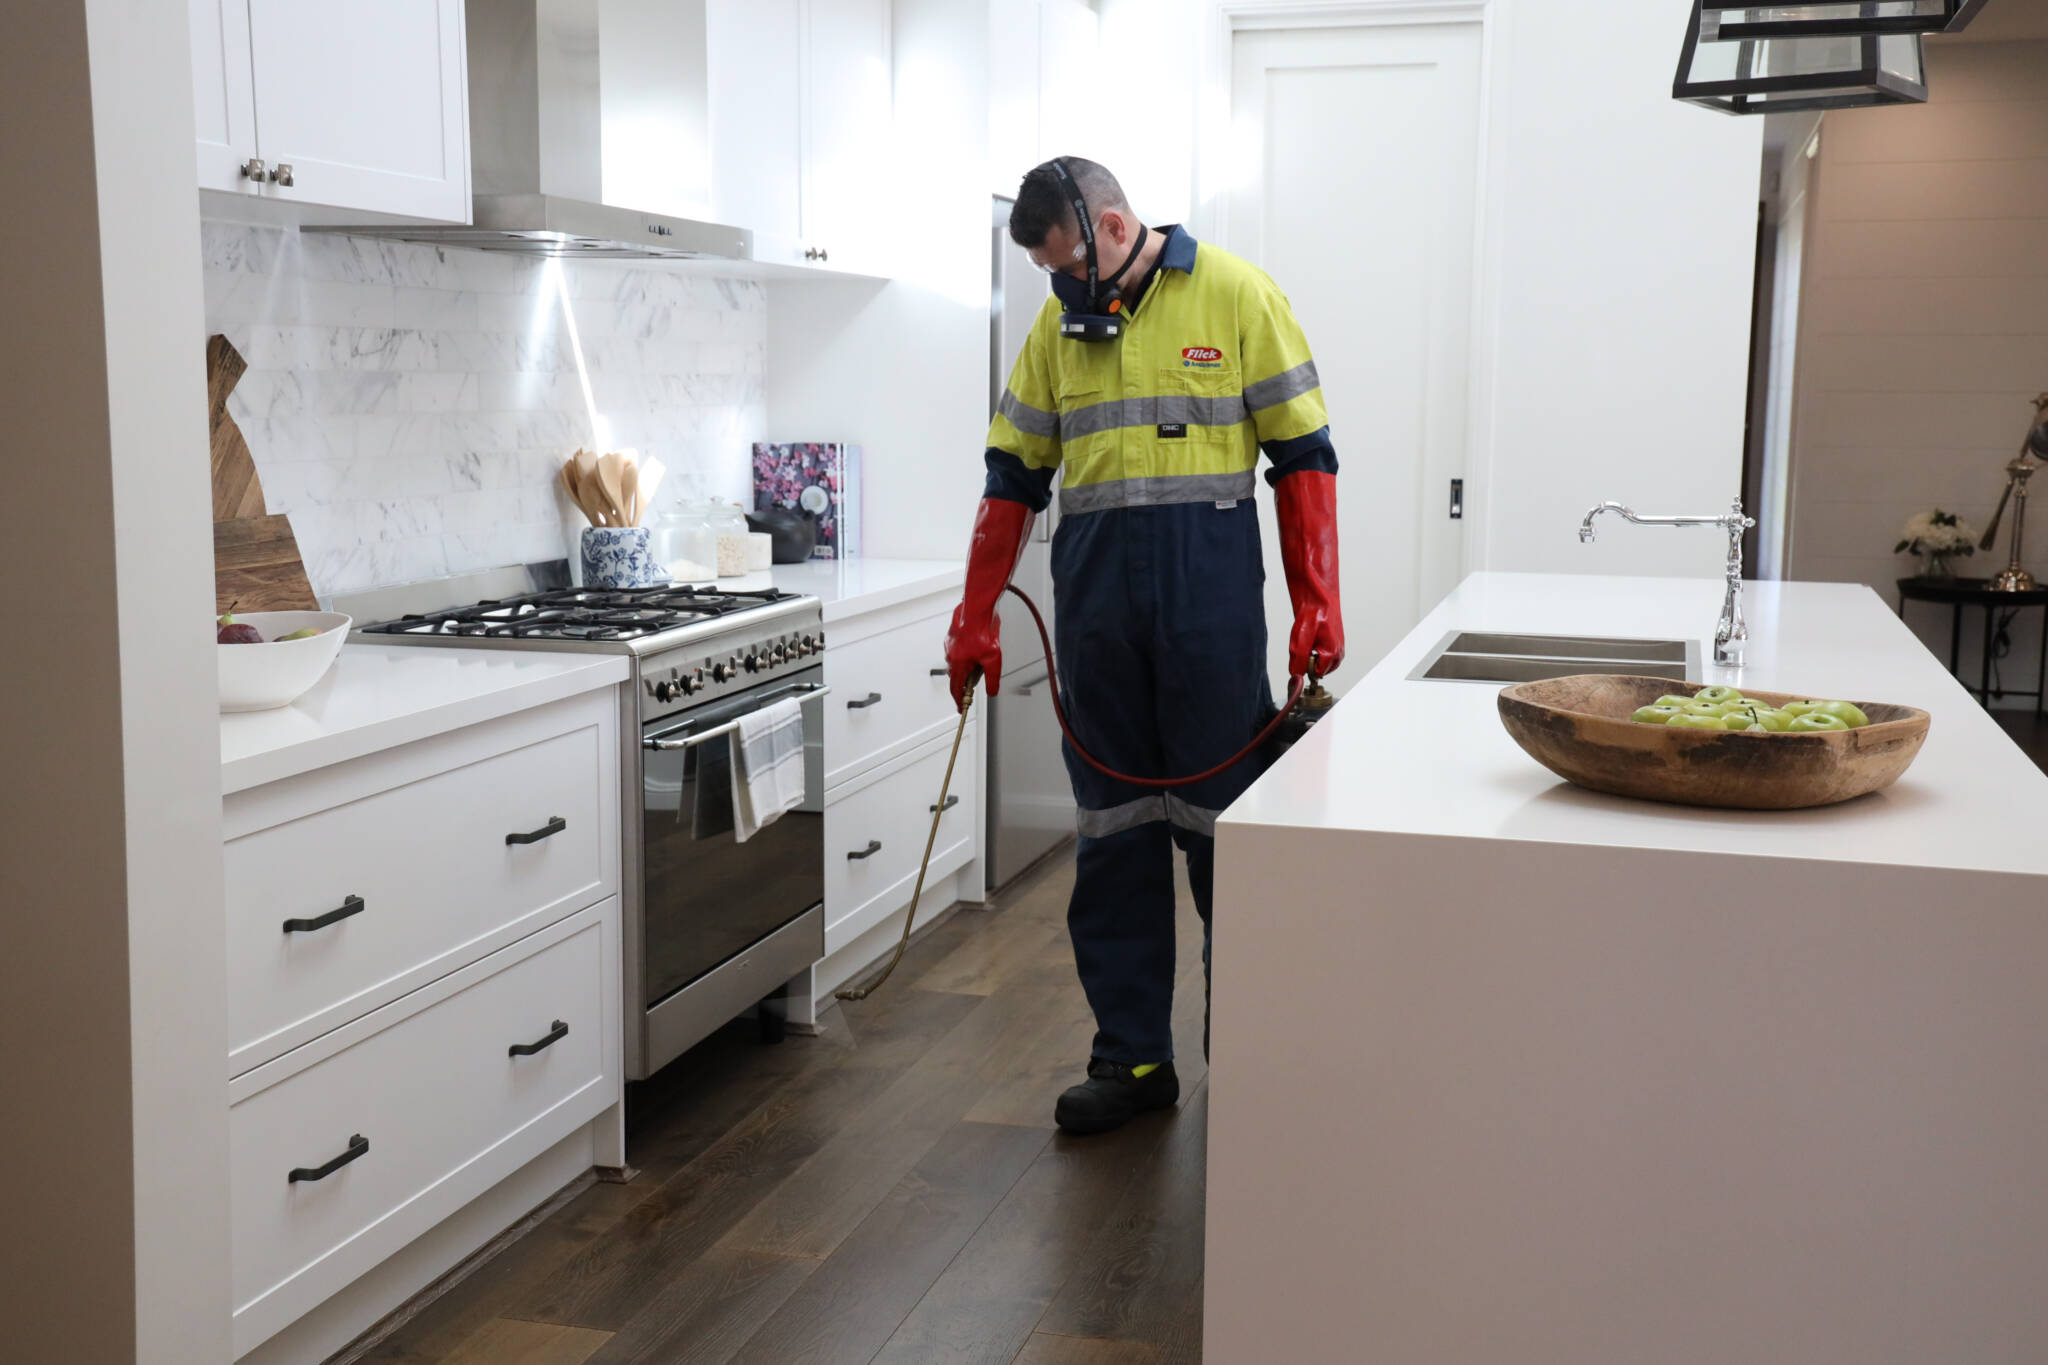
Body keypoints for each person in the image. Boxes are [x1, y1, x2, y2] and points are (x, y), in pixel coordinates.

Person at [945, 157, 1344, 1135]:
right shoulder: (1056, 326)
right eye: (1049, 275)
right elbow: (1011, 474)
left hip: (1206, 610)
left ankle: (1246, 1060)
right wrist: (974, 612)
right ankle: (1129, 1063)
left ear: (1115, 227)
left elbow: (1302, 460)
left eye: (1070, 267)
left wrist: (1316, 602)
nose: (1065, 291)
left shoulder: (1238, 295)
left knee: (1224, 843)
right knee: (1113, 838)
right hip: (1094, 613)